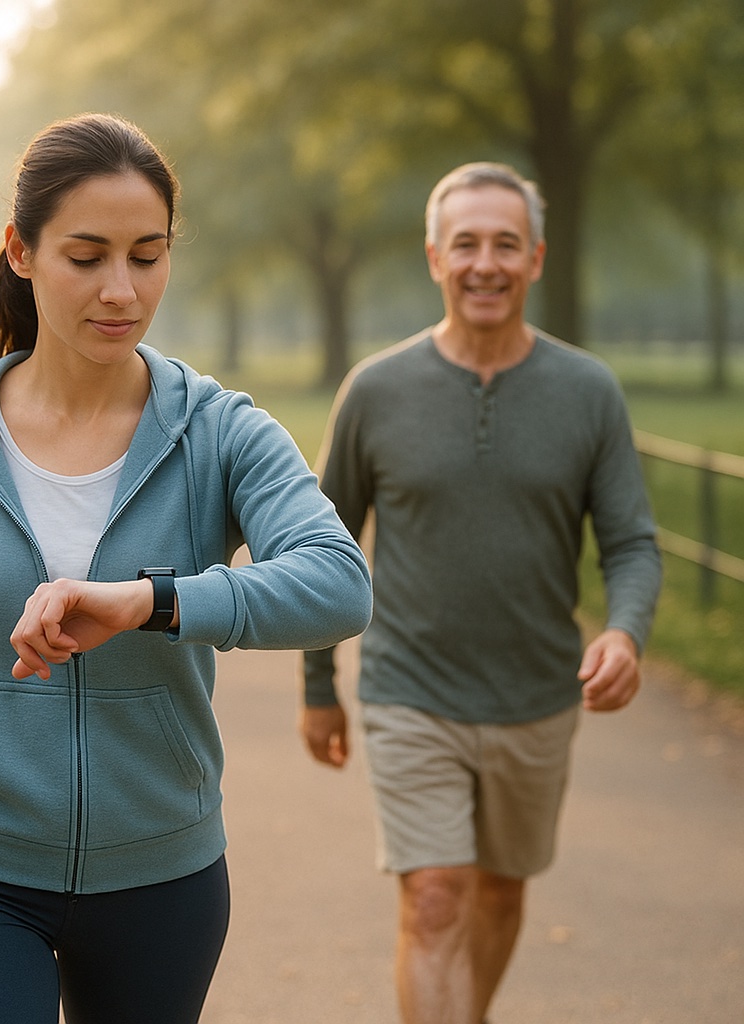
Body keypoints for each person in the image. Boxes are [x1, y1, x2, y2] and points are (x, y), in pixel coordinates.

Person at [0, 112, 372, 1024]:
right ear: (22, 251)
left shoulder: (222, 433)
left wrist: (153, 601)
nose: (122, 290)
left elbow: (338, 581)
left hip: (162, 874)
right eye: (86, 257)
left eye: (148, 254)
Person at [300, 162, 662, 1024]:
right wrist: (320, 687)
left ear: (536, 258)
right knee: (435, 895)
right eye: (466, 244)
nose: (485, 263)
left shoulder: (588, 393)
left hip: (537, 696)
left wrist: (626, 633)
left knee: (499, 892)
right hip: (409, 689)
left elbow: (632, 543)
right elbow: (320, 546)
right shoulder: (377, 390)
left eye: (506, 244)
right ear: (436, 257)